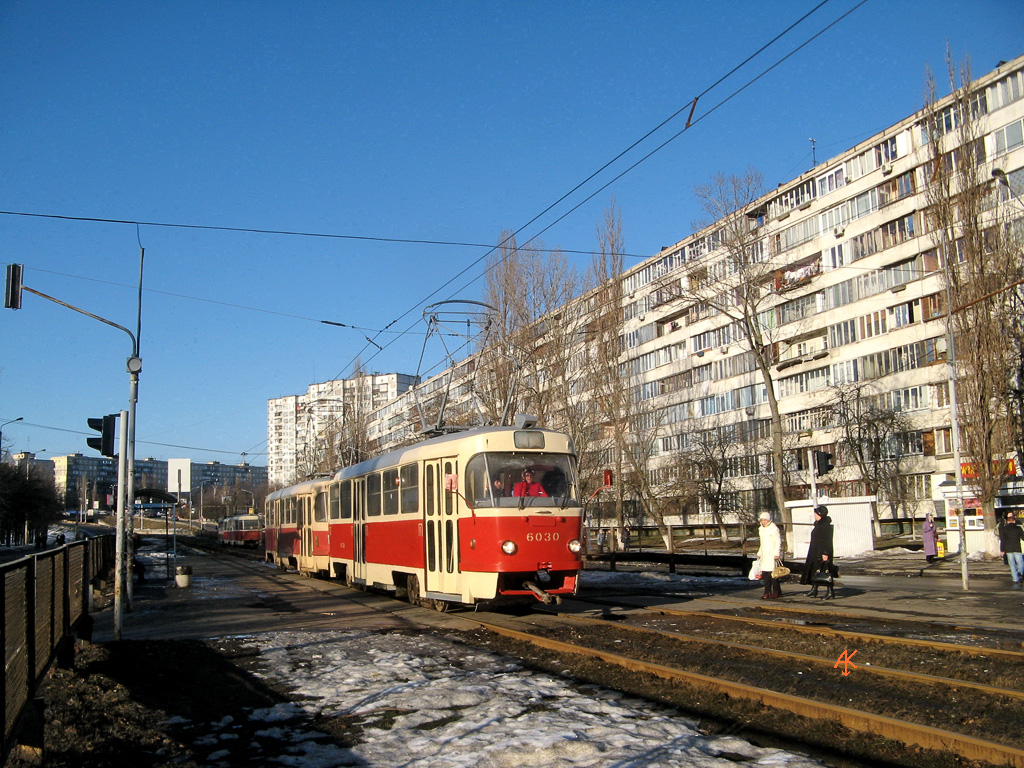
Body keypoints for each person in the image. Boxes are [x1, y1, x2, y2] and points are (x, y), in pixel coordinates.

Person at [800, 505, 835, 599]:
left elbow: (826, 540)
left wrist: (825, 553)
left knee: (826, 572)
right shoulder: (818, 525)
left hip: (822, 553)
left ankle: (830, 591)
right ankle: (814, 589)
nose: (814, 515)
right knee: (815, 572)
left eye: (816, 513)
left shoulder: (826, 526)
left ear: (820, 514)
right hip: (815, 552)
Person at [756, 511, 783, 599]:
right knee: (765, 574)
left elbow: (778, 541)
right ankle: (767, 592)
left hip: (771, 553)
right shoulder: (761, 529)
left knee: (773, 574)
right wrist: (760, 552)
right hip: (765, 554)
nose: (763, 522)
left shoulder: (773, 528)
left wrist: (776, 553)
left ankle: (776, 592)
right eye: (762, 520)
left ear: (769, 520)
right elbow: (762, 542)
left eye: (765, 520)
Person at [998, 511, 1024, 587]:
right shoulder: (1018, 528)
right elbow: (1023, 537)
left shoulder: (1004, 529)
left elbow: (1002, 540)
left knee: (1012, 564)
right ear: (1014, 520)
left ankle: (1015, 579)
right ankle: (1021, 573)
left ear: (1008, 521)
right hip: (1017, 548)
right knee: (1020, 563)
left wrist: (1002, 549)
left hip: (1008, 549)